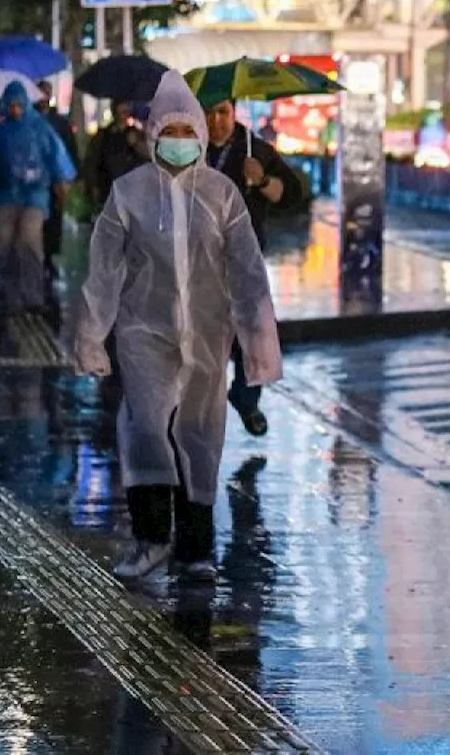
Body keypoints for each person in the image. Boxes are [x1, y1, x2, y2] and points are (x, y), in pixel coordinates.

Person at [74, 70, 282, 581]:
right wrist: (91, 334)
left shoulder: (222, 194)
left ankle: (195, 549)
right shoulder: (128, 193)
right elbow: (103, 268)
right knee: (147, 429)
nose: (180, 143)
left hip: (208, 335)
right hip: (144, 332)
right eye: (170, 132)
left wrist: (258, 337)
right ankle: (150, 539)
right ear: (153, 135)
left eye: (189, 134)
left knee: (200, 436)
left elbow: (248, 270)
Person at [204, 98, 303, 437]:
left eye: (222, 112)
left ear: (233, 113)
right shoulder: (188, 148)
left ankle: (246, 398)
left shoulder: (256, 150)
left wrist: (261, 181)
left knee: (254, 334)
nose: (215, 121)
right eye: (208, 113)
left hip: (244, 259)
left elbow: (291, 195)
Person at [0, 81, 75, 313]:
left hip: (34, 195)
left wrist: (60, 181)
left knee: (29, 240)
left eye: (19, 105)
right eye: (11, 105)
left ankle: (33, 294)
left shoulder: (40, 127)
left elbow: (55, 156)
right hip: (5, 195)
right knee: (2, 241)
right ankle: (8, 291)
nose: (15, 110)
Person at [36, 80, 80, 278]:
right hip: (36, 180)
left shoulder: (59, 122)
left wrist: (69, 177)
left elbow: (70, 149)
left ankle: (50, 256)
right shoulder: (32, 120)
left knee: (54, 219)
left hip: (55, 180)